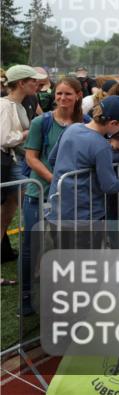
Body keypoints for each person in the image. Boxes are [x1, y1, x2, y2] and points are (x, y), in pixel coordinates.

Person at [20, 76, 86, 313]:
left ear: (78, 95)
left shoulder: (86, 122)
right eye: (59, 93)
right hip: (39, 195)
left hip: (71, 199)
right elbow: (31, 157)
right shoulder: (42, 122)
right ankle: (27, 296)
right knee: (32, 246)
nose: (62, 98)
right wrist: (54, 180)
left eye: (68, 93)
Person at [47, 96, 119, 231]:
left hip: (58, 209)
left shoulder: (72, 128)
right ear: (113, 123)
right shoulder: (101, 146)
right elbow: (110, 186)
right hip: (86, 216)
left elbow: (52, 159)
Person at [1, 65, 46, 275]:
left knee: (6, 218)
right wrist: (26, 134)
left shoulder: (19, 104)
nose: (36, 84)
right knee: (34, 212)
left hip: (14, 164)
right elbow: (4, 139)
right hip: (11, 164)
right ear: (21, 83)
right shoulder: (5, 105)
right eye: (32, 80)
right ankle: (37, 265)